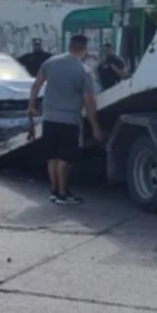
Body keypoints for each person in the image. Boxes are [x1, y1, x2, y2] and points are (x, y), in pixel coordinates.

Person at [27, 34, 104, 205]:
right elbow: (89, 101)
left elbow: (36, 85)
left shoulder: (50, 63)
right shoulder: (83, 70)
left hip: (49, 119)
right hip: (69, 120)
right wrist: (95, 126)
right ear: (85, 49)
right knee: (65, 159)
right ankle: (63, 193)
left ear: (69, 46)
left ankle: (54, 191)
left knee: (52, 157)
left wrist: (31, 106)